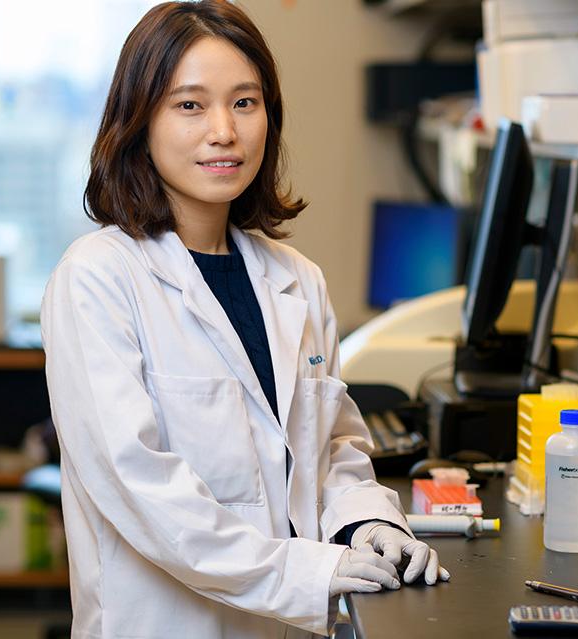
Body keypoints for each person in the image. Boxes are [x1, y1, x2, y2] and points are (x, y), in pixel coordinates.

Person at [40, 2, 448, 637]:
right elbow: (142, 487)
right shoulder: (97, 278)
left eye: (245, 102)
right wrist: (302, 573)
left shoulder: (297, 280)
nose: (223, 131)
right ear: (139, 121)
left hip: (297, 621)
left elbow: (332, 447)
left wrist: (369, 522)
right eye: (189, 105)